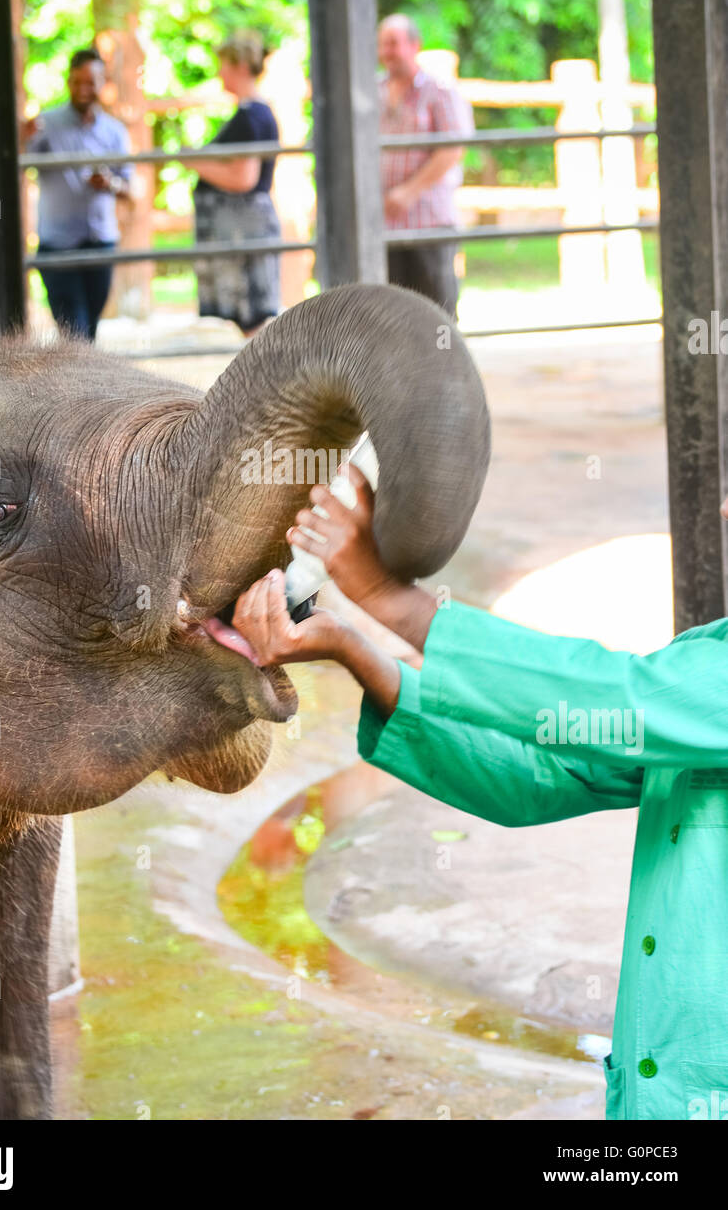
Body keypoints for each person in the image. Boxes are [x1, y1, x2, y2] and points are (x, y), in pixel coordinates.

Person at [230, 468, 728, 1122]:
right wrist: (354, 650)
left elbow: (606, 693)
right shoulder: (704, 659)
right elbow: (543, 777)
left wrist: (389, 597)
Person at [21, 48, 132, 340]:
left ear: (102, 83)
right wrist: (22, 140)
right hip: (58, 246)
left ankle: (82, 384)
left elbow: (131, 188)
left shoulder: (115, 132)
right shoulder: (45, 124)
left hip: (100, 243)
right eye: (77, 82)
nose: (83, 89)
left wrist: (110, 183)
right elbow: (16, 167)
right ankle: (77, 385)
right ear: (68, 82)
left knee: (89, 330)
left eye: (90, 82)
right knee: (75, 331)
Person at [378, 15, 474, 318]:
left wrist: (409, 192)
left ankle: (445, 366)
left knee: (436, 311)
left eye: (393, 43)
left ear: (414, 45)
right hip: (384, 224)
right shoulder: (373, 92)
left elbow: (452, 148)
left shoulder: (439, 90)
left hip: (428, 220)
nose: (387, 52)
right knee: (392, 313)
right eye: (383, 45)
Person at [191, 31, 281, 337]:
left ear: (240, 65)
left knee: (253, 320)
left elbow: (244, 179)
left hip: (244, 226)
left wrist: (192, 161)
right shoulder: (253, 113)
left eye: (224, 64)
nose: (219, 72)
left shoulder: (250, 116)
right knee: (251, 322)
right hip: (242, 226)